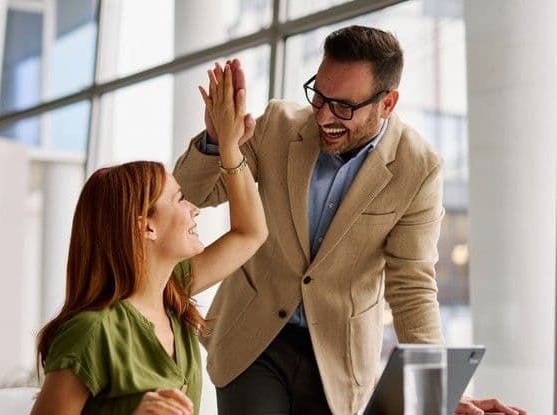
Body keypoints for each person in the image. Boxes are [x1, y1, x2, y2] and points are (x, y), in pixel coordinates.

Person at [174, 25, 525, 415]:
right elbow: (190, 194)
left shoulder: (418, 167)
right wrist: (215, 139)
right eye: (319, 96)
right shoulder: (278, 125)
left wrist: (436, 391)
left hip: (337, 360)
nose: (324, 116)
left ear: (387, 104)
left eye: (343, 106)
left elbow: (412, 285)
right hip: (252, 341)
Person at [30, 63, 267, 415]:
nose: (194, 210)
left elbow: (251, 232)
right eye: (179, 199)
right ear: (146, 227)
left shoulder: (174, 294)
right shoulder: (91, 332)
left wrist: (229, 146)